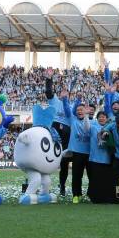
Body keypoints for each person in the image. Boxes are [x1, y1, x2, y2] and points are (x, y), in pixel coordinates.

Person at [45, 68, 72, 196]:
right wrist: (49, 79)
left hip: (66, 132)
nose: (64, 93)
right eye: (63, 91)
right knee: (46, 158)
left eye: (67, 92)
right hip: (54, 129)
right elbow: (48, 92)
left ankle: (62, 185)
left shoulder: (71, 106)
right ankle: (43, 185)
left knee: (64, 163)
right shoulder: (54, 100)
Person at [62, 91, 92, 204]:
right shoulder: (72, 120)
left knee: (91, 176)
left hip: (89, 153)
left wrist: (87, 116)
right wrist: (65, 99)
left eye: (82, 110)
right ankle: (76, 195)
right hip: (77, 153)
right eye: (78, 110)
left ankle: (90, 194)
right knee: (76, 176)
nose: (80, 111)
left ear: (86, 111)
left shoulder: (91, 121)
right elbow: (67, 109)